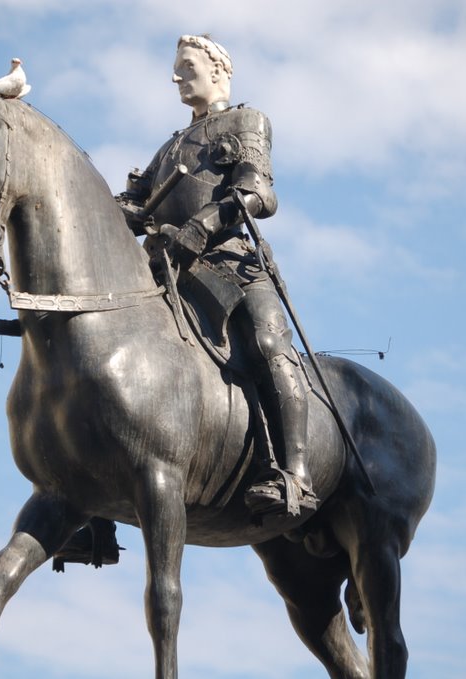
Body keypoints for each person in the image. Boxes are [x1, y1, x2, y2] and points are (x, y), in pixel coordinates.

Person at [117, 34, 316, 516]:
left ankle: (295, 475)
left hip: (230, 262)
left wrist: (201, 225)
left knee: (268, 343)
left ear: (219, 72)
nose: (176, 76)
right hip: (166, 269)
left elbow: (257, 192)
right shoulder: (169, 147)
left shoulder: (248, 122)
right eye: (176, 67)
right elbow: (136, 205)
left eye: (186, 66)